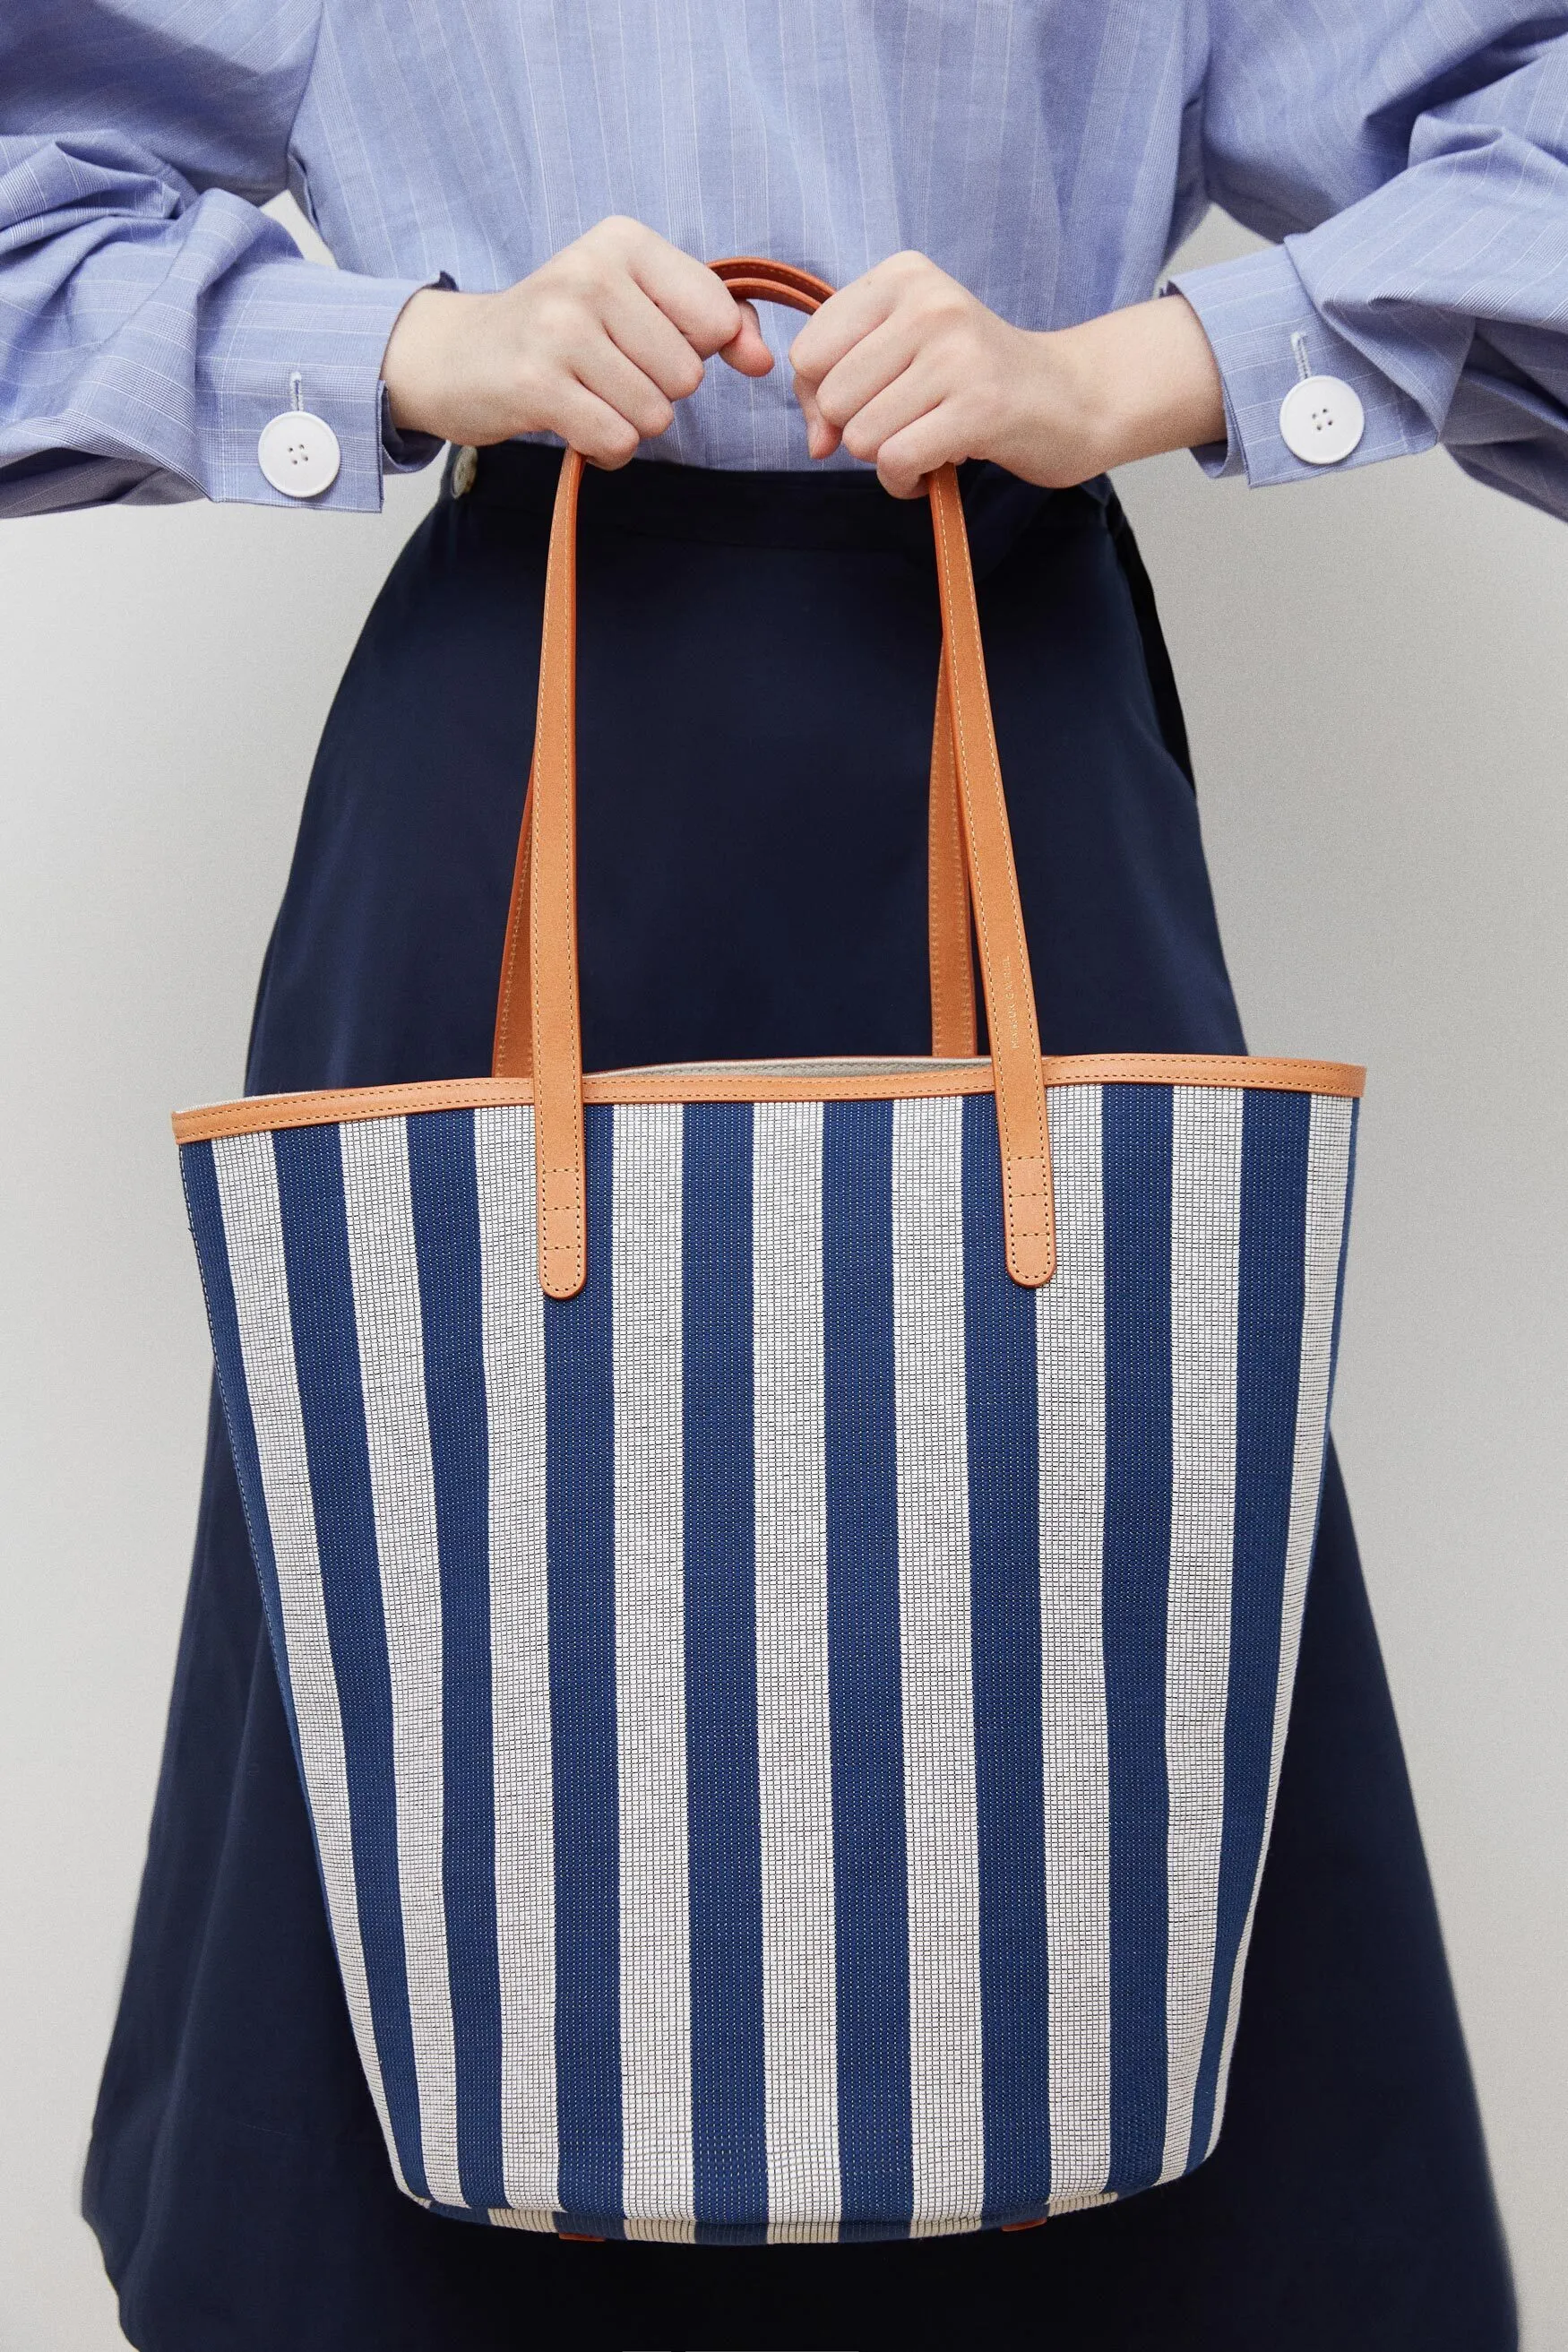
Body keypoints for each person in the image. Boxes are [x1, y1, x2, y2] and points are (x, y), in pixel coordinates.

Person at [2, 5, 1552, 2347]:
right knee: (458, 1622)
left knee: (1098, 1607)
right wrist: (414, 343)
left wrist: (1140, 363)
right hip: (528, 770)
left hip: (995, 730)